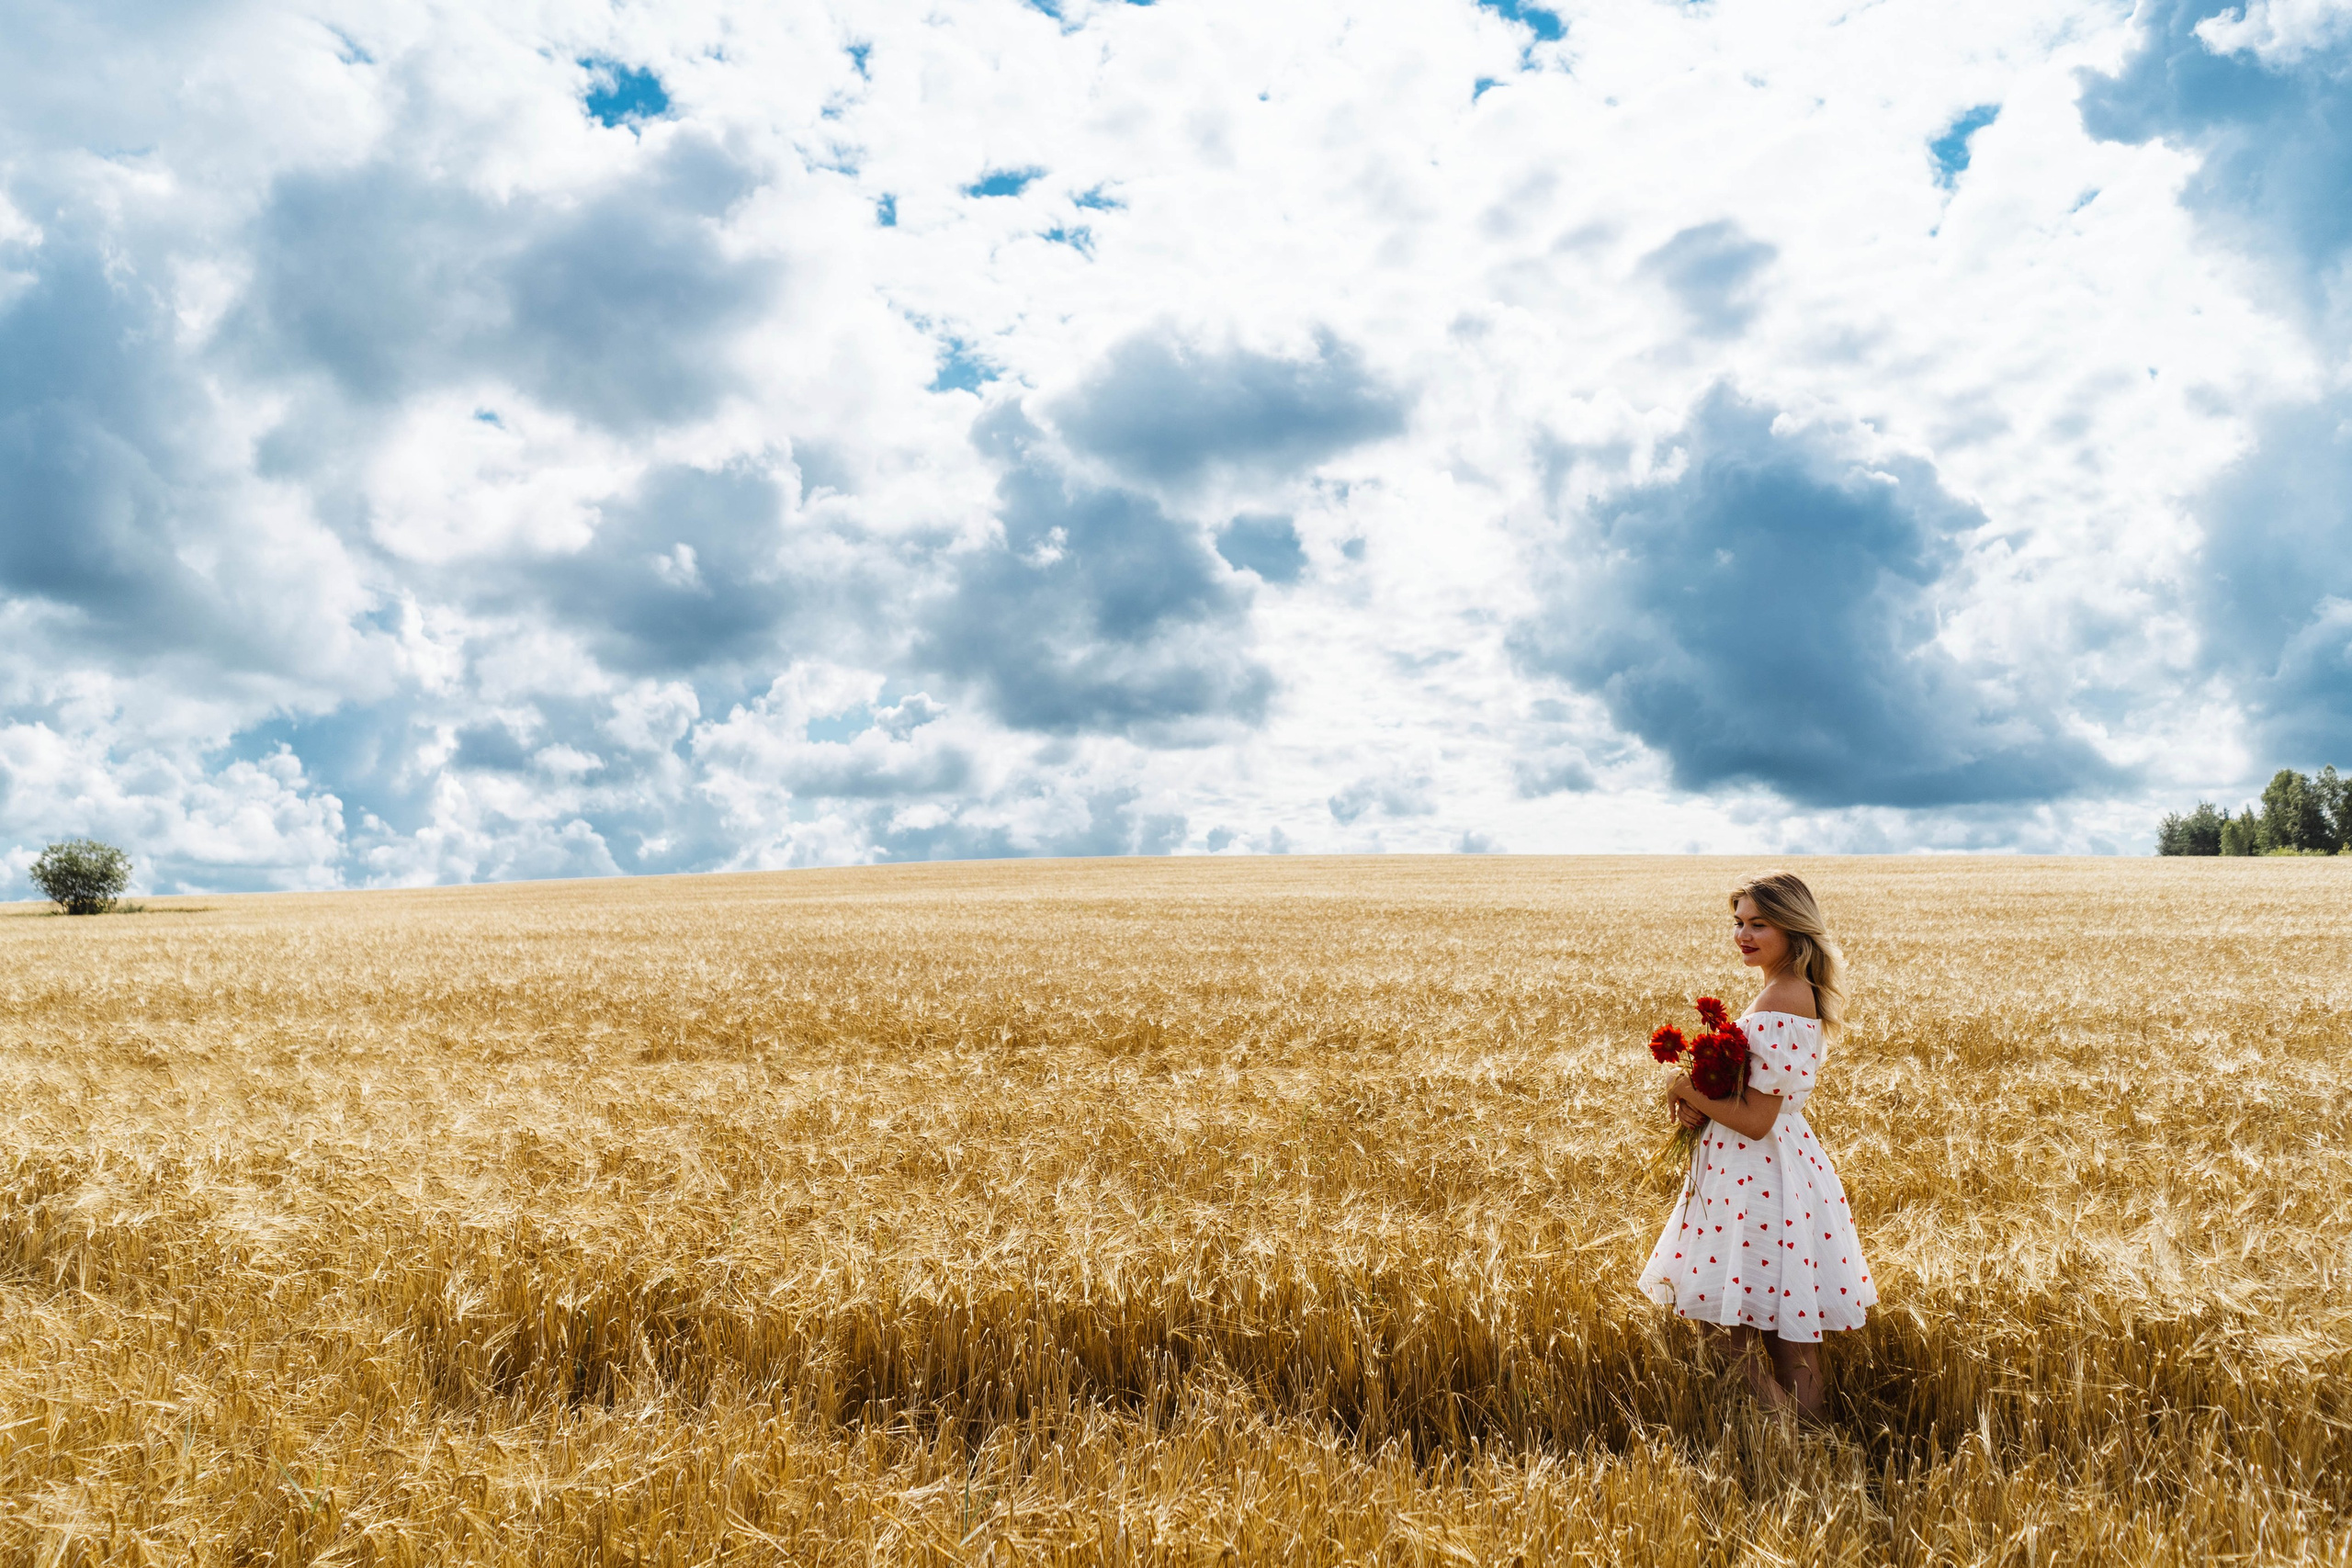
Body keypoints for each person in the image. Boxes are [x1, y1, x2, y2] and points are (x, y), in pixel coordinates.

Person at [1636, 871, 1874, 1420]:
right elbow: (1757, 1100)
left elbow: (1757, 1120)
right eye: (1738, 922)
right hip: (1779, 1168)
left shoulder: (1782, 995)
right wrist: (1709, 1094)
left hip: (1755, 1173)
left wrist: (1685, 1086)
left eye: (1758, 924)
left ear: (1793, 927)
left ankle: (1785, 1449)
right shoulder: (1789, 989)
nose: (1743, 934)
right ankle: (1813, 1452)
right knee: (1790, 1334)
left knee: (1724, 1330)